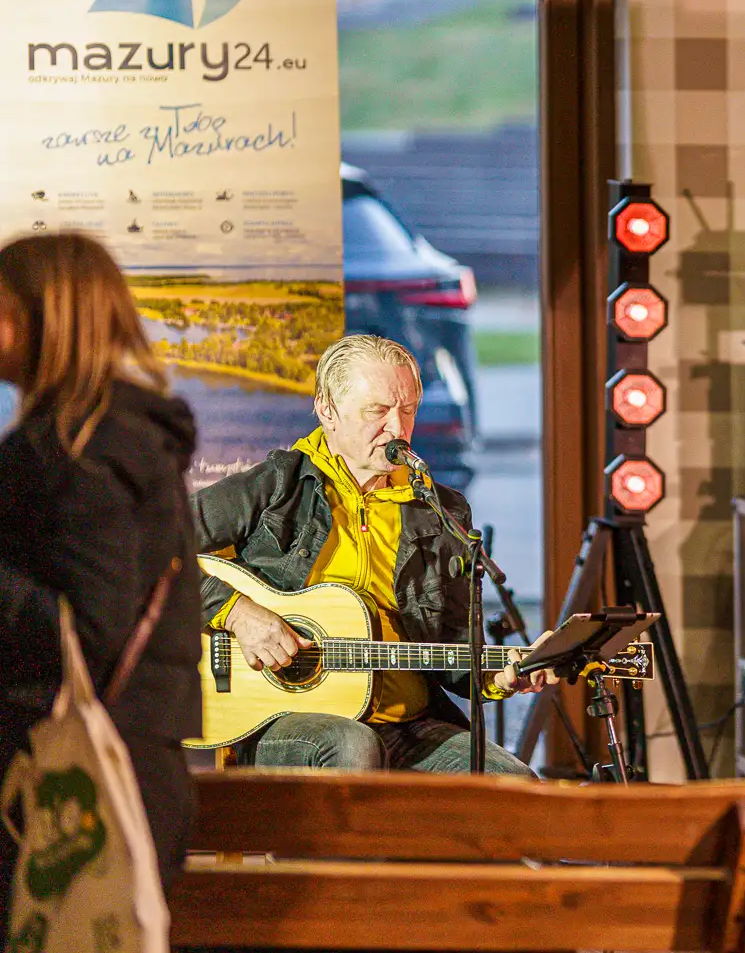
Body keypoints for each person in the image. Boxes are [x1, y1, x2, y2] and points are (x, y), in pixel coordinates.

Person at [193, 334, 545, 773]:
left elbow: (454, 650)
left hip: (408, 726)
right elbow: (151, 545)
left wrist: (500, 675)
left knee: (515, 783)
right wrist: (236, 613)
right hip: (284, 721)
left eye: (408, 410)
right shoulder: (277, 487)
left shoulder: (440, 511)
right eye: (378, 411)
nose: (398, 429)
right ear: (328, 410)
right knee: (353, 746)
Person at [0, 233, 203, 908]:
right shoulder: (103, 438)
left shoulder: (86, 449)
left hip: (81, 783)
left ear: (45, 320)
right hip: (113, 767)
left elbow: (86, 631)